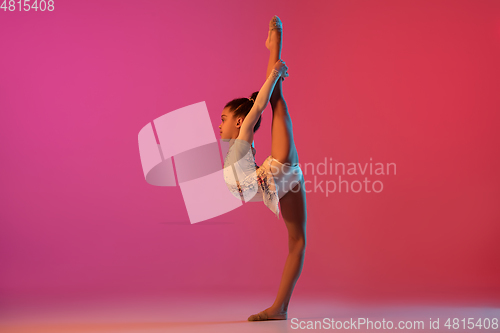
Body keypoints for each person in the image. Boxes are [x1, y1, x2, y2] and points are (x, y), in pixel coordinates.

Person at [219, 15, 307, 321]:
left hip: (267, 181)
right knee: (278, 102)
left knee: (277, 99)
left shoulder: (242, 137)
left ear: (240, 122)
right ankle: (275, 48)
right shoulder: (240, 144)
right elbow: (257, 107)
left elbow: (257, 107)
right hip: (266, 181)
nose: (219, 125)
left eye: (223, 119)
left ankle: (279, 308)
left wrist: (276, 73)